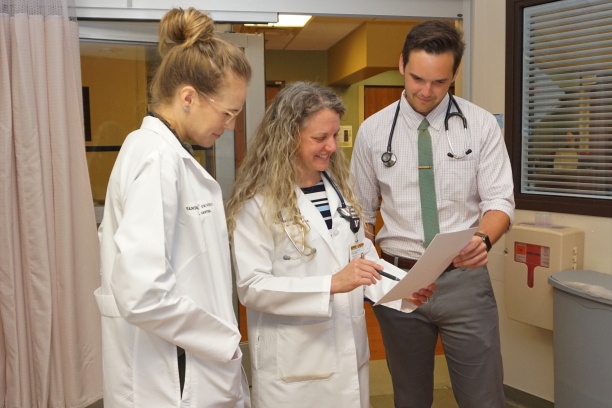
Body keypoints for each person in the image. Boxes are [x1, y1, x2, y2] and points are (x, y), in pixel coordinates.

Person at [225, 81, 435, 408]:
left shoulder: (340, 188)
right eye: (320, 138)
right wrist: (331, 284)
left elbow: (361, 257)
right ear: (287, 136)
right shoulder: (257, 203)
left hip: (347, 351)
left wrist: (402, 287)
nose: (332, 146)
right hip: (295, 364)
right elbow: (252, 288)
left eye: (334, 135)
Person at [350, 21, 515, 408]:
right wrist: (371, 267)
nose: (426, 91)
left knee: (483, 397)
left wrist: (483, 239)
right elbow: (361, 213)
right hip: (400, 279)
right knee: (410, 397)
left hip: (464, 281)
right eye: (417, 78)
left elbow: (500, 200)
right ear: (402, 64)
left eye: (439, 82)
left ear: (454, 74)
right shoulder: (373, 132)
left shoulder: (480, 125)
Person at [94, 7, 252, 407]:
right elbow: (143, 292)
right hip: (173, 377)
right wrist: (222, 341)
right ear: (188, 98)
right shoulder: (156, 159)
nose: (231, 126)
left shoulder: (167, 154)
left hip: (191, 365)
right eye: (228, 112)